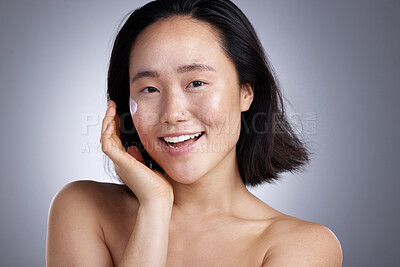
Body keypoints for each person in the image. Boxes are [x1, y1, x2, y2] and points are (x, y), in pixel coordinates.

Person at [46, 0, 343, 266]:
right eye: (149, 89)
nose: (173, 113)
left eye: (196, 83)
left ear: (246, 92)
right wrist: (155, 206)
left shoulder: (302, 246)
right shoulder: (83, 209)